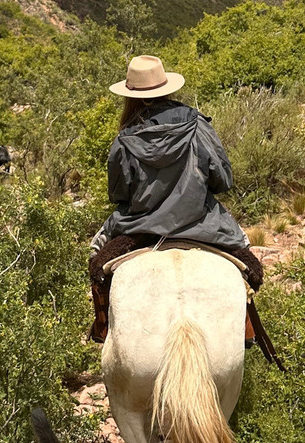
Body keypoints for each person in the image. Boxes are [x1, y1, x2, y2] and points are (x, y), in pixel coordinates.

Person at [88, 54, 264, 344]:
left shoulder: (125, 139)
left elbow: (118, 194)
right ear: (166, 87)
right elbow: (223, 179)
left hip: (138, 228)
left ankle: (103, 328)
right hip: (202, 222)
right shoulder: (197, 125)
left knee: (97, 262)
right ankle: (247, 330)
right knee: (248, 262)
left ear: (131, 96)